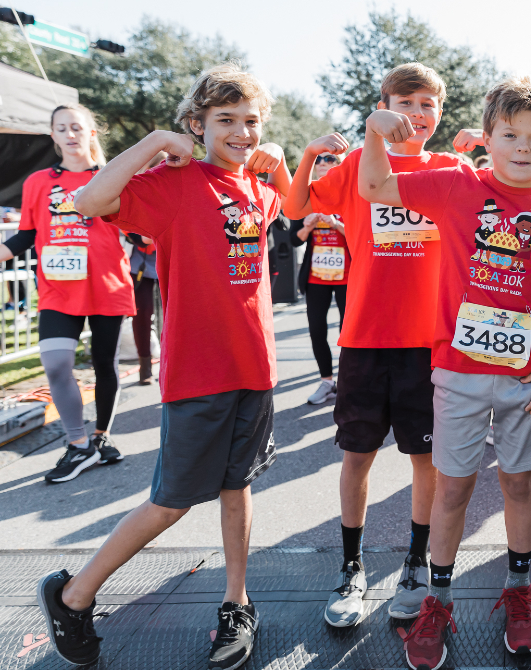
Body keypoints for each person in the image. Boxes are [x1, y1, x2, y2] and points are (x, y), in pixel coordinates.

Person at [39, 62, 291, 669]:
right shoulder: (173, 184)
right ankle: (73, 596)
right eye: (224, 120)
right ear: (195, 125)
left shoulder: (258, 189)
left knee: (238, 487)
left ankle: (237, 602)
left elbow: (291, 200)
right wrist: (154, 143)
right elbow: (86, 198)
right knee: (170, 501)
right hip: (198, 375)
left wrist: (278, 156)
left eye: (251, 122)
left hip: (254, 371)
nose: (240, 132)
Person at [363, 75, 531, 669]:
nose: (524, 148)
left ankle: (519, 589)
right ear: (485, 137)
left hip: (529, 375)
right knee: (453, 490)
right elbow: (373, 186)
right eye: (511, 135)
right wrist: (373, 132)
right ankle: (437, 601)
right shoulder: (454, 185)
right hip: (459, 371)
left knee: (519, 484)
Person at [284, 63, 462, 627]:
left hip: (429, 342)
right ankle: (351, 567)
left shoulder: (452, 169)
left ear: (438, 112)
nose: (416, 113)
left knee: (424, 459)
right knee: (356, 456)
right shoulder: (362, 161)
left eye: (427, 104)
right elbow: (293, 209)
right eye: (404, 102)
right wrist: (314, 153)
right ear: (383, 104)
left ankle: (413, 563)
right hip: (364, 338)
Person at [0, 104, 134, 483]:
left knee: (104, 365)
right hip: (59, 290)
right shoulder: (38, 183)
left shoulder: (111, 177)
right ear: (53, 136)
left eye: (77, 127)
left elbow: (138, 230)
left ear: (92, 132)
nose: (70, 134)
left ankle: (101, 436)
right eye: (62, 128)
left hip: (106, 285)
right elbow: (26, 234)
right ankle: (79, 445)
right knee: (57, 364)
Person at [288, 152, 350, 405]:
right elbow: (294, 239)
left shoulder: (351, 196)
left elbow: (363, 237)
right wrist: (308, 226)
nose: (324, 166)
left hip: (348, 278)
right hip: (316, 280)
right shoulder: (306, 198)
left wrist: (335, 224)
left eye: (330, 162)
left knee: (348, 333)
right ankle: (327, 382)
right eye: (320, 163)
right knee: (317, 331)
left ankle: (348, 383)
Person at [127, 151, 166, 386]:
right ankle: (144, 366)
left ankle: (173, 363)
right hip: (143, 261)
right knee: (142, 313)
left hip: (174, 258)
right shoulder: (132, 192)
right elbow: (141, 238)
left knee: (174, 313)